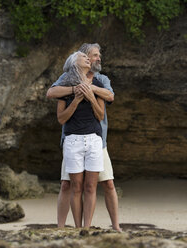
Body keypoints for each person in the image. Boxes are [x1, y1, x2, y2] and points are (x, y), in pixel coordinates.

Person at [46, 43, 121, 231]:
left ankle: (115, 225)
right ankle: (62, 228)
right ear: (83, 57)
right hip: (71, 138)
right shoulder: (67, 77)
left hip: (98, 139)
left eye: (97, 55)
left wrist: (89, 90)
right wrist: (75, 91)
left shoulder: (101, 78)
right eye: (94, 55)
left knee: (107, 183)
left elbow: (109, 97)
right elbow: (52, 93)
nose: (98, 58)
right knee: (67, 185)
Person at [57, 51, 104, 228]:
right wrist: (76, 100)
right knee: (76, 187)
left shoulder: (97, 84)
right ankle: (78, 228)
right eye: (83, 57)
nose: (87, 59)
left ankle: (87, 228)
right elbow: (61, 119)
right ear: (73, 62)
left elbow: (100, 116)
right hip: (73, 140)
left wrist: (91, 97)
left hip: (93, 139)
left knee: (91, 187)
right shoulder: (65, 85)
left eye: (88, 57)